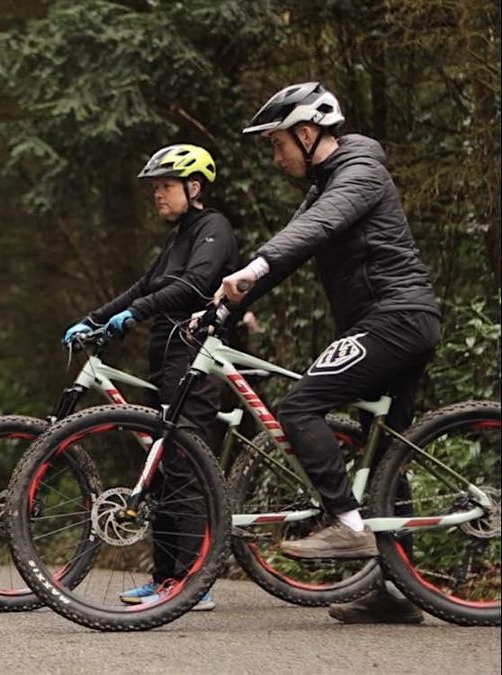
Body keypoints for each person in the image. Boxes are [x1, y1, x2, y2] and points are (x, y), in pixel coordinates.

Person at [218, 82, 441, 624]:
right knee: (386, 453)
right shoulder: (325, 185)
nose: (275, 158)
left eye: (278, 145)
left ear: (308, 132)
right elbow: (298, 245)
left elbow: (315, 228)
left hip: (396, 317)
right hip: (388, 320)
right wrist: (222, 305)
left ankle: (346, 522)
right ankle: (397, 592)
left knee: (298, 407)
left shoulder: (360, 169)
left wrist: (255, 266)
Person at [64, 143, 238, 610]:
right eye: (155, 188)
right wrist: (95, 317)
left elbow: (197, 283)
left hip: (197, 355)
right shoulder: (179, 235)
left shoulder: (213, 227)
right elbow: (146, 285)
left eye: (165, 186)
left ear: (194, 187)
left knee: (183, 462)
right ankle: (165, 578)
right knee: (161, 466)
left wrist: (135, 313)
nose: (157, 195)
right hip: (167, 356)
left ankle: (192, 584)